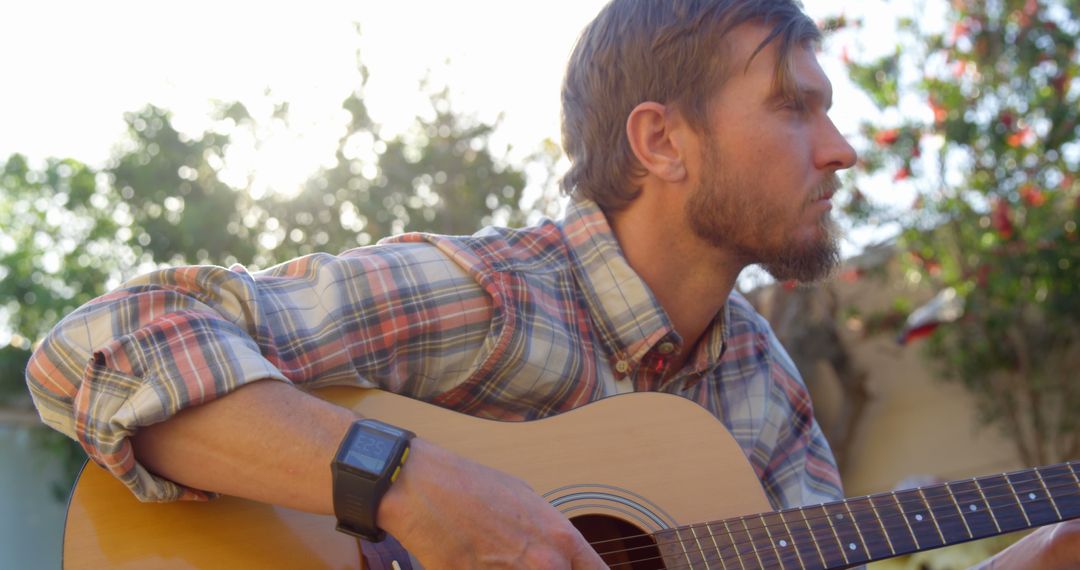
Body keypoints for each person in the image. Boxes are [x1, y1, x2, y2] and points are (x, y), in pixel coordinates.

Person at [25, 0, 1078, 568]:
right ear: (664, 141)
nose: (842, 148)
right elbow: (105, 341)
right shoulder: (489, 296)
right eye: (795, 107)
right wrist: (410, 483)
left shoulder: (766, 389)